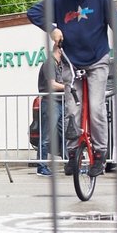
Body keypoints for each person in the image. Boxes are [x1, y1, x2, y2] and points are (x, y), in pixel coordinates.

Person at [27, 0, 117, 178]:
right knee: (72, 110)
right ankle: (73, 153)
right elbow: (33, 12)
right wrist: (52, 28)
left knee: (96, 108)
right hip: (71, 61)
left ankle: (100, 154)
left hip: (97, 59)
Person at [36, 44, 65, 177]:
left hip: (59, 103)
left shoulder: (58, 65)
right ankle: (41, 167)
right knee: (46, 136)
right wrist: (68, 86)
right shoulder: (49, 64)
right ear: (60, 50)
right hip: (51, 103)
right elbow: (52, 84)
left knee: (65, 135)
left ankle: (70, 164)